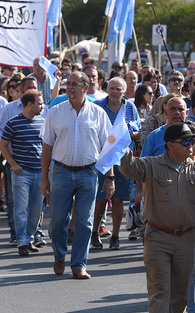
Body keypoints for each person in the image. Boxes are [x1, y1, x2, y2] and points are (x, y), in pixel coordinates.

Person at [119, 122, 195, 313]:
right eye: (185, 142)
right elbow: (129, 167)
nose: (190, 146)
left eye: (192, 141)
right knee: (160, 292)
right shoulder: (151, 164)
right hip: (158, 237)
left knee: (180, 296)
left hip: (186, 238)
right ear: (170, 145)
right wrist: (119, 143)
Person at [41, 71, 113, 279]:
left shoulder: (98, 113)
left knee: (84, 222)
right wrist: (44, 178)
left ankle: (79, 264)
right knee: (57, 222)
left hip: (88, 173)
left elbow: (107, 148)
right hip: (61, 172)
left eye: (74, 84)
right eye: (67, 84)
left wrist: (110, 177)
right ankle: (59, 255)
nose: (70, 87)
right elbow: (47, 147)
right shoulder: (55, 112)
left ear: (85, 86)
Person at [92, 77, 141, 250]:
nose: (114, 92)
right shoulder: (98, 106)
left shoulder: (130, 107)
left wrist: (128, 134)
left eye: (118, 89)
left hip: (123, 158)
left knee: (119, 198)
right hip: (102, 157)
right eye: (112, 88)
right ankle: (95, 232)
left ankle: (115, 236)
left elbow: (137, 131)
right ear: (106, 89)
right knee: (101, 198)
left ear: (125, 90)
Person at [0, 90, 46, 256]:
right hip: (22, 173)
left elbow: (47, 148)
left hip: (40, 173)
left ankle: (30, 237)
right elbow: (3, 145)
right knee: (20, 208)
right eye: (40, 103)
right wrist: (13, 164)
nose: (43, 106)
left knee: (36, 209)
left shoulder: (43, 123)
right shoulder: (13, 123)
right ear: (30, 104)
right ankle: (22, 241)